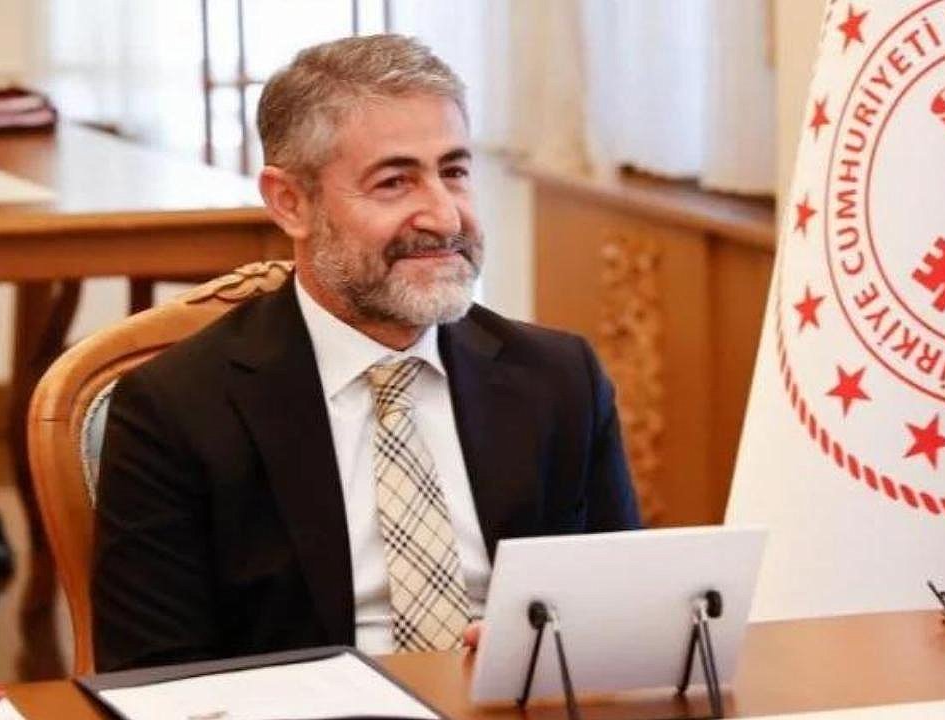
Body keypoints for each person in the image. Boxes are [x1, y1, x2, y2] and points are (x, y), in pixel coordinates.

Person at [92, 33, 640, 673]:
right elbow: (156, 678)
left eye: (454, 172)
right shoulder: (175, 408)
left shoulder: (559, 379)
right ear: (291, 203)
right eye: (394, 182)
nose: (444, 217)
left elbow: (621, 616)